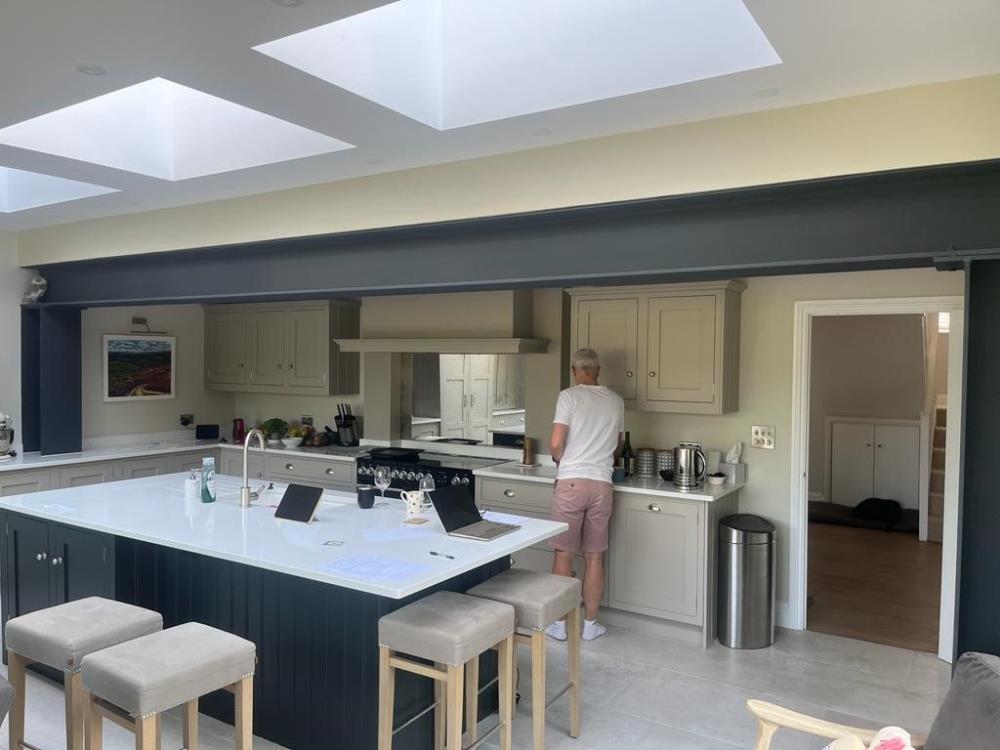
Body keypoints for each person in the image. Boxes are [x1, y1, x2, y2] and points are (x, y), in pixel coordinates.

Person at [545, 348, 624, 642]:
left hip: (571, 483)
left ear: (574, 371)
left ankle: (558, 625)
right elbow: (617, 443)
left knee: (564, 554)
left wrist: (559, 460)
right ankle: (590, 626)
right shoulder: (616, 401)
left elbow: (556, 442)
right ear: (598, 371)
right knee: (594, 557)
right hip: (602, 485)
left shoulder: (568, 397)